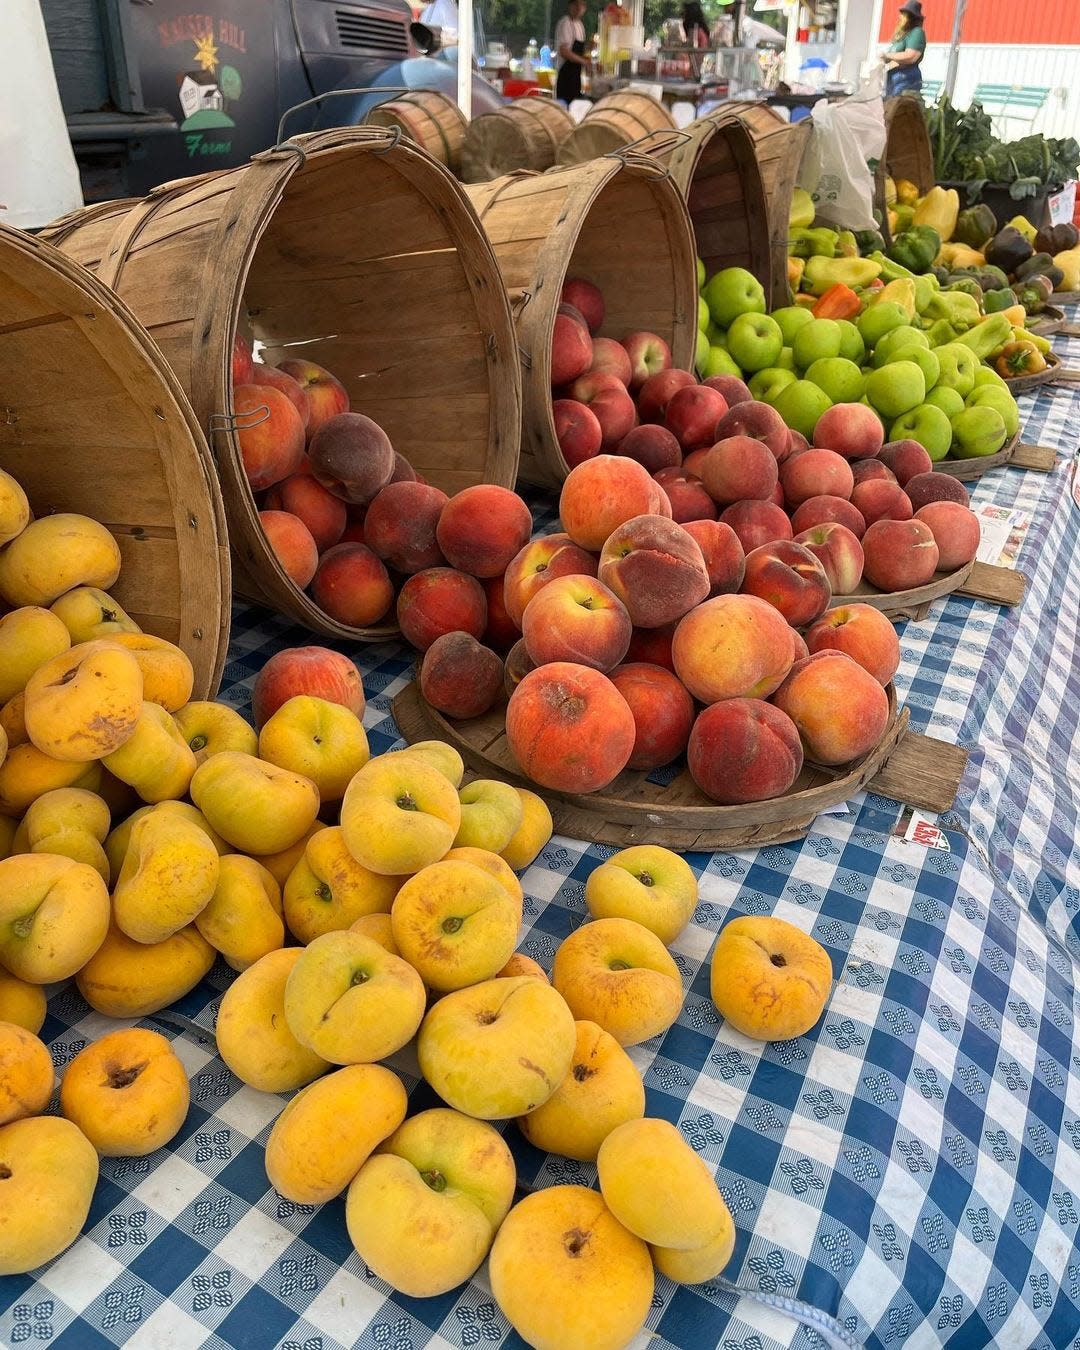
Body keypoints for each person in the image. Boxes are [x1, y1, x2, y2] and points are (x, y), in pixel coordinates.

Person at [883, 0, 926, 97]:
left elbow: (911, 56)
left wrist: (887, 55)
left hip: (906, 78)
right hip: (893, 77)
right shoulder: (903, 35)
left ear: (910, 17)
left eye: (903, 14)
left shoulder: (917, 32)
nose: (900, 17)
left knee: (900, 109)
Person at [555, 0, 589, 105]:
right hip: (566, 77)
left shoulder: (580, 25)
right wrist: (584, 62)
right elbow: (564, 51)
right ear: (570, 6)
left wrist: (589, 47)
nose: (579, 8)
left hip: (576, 77)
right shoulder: (565, 22)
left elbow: (579, 51)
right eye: (576, 4)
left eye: (582, 5)